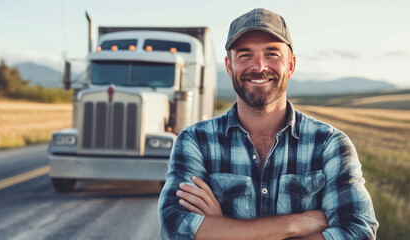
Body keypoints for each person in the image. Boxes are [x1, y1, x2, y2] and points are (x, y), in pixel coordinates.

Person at [158, 8, 378, 239]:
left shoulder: (329, 144)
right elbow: (175, 227)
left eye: (272, 54)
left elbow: (359, 231)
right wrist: (297, 223)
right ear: (229, 66)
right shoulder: (196, 141)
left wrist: (220, 228)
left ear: (291, 66)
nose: (259, 66)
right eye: (245, 55)